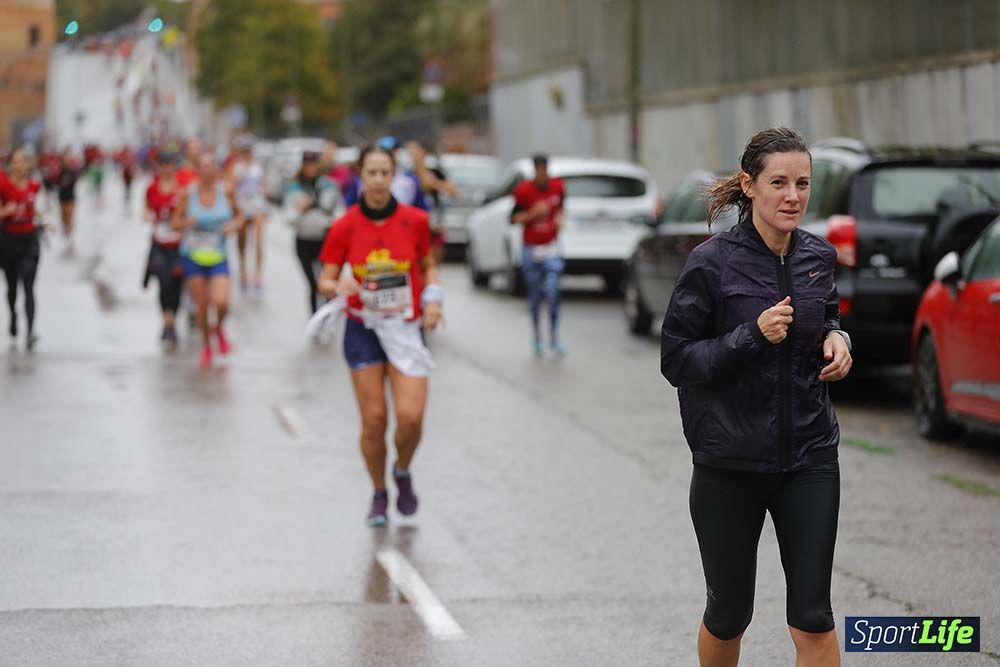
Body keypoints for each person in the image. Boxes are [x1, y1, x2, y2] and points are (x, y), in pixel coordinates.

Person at [659, 127, 853, 667]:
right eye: (779, 183)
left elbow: (829, 314)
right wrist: (751, 335)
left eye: (803, 184)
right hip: (729, 463)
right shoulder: (711, 263)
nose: (793, 196)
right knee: (729, 616)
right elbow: (677, 360)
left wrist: (839, 339)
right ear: (749, 185)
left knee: (813, 615)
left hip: (810, 457)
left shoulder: (818, 257)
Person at [316, 145, 442, 527]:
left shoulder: (415, 220)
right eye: (370, 173)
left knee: (411, 418)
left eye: (384, 172)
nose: (377, 180)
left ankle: (401, 470)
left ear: (393, 176)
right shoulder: (345, 226)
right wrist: (338, 286)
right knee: (374, 420)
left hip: (404, 326)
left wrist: (433, 300)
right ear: (360, 176)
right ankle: (378, 490)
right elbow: (325, 278)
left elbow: (427, 264)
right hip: (364, 328)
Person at [172, 151, 242, 368]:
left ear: (216, 170)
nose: (207, 170)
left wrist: (233, 225)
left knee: (222, 302)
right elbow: (174, 221)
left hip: (218, 254)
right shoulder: (188, 194)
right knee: (202, 306)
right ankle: (206, 344)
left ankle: (218, 328)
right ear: (197, 170)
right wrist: (185, 223)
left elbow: (240, 216)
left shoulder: (226, 193)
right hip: (193, 255)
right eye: (203, 165)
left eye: (211, 165)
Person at [511, 154, 566, 357]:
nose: (542, 176)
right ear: (535, 171)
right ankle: (536, 337)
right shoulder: (523, 190)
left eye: (545, 171)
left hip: (551, 246)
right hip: (531, 248)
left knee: (553, 291)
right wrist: (533, 213)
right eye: (539, 172)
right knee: (534, 295)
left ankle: (554, 338)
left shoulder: (558, 187)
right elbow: (514, 218)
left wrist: (560, 219)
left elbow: (561, 209)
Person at [285, 151, 340, 314]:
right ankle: (315, 319)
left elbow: (334, 210)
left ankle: (330, 317)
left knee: (328, 282)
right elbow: (289, 218)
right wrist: (301, 209)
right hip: (304, 239)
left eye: (314, 165)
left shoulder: (328, 185)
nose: (311, 169)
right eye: (308, 165)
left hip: (325, 239)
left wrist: (317, 204)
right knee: (312, 284)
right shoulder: (294, 187)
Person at [0, 148, 44, 350]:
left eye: (21, 161)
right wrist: (4, 212)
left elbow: (37, 209)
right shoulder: (3, 184)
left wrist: (43, 219)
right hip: (9, 240)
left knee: (28, 285)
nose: (18, 165)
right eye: (14, 161)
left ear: (28, 164)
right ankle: (13, 317)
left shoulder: (35, 186)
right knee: (11, 288)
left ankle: (31, 331)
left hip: (29, 241)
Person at [144, 150, 185, 348]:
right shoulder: (152, 188)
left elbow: (188, 211)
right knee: (163, 283)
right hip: (159, 242)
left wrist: (181, 221)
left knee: (177, 285)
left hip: (179, 243)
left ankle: (173, 322)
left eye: (170, 165)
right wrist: (148, 217)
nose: (167, 169)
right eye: (163, 165)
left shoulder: (182, 189)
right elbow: (146, 209)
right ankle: (166, 321)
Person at [406, 139, 457, 265]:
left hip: (434, 223)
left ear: (424, 152)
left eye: (415, 150)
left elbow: (453, 191)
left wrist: (433, 182)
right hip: (414, 225)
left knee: (434, 261)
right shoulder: (407, 175)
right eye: (409, 150)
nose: (412, 154)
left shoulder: (435, 171)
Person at [230, 136, 268, 293]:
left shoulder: (257, 167)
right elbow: (231, 187)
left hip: (256, 205)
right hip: (242, 206)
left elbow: (263, 185)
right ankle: (243, 271)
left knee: (259, 241)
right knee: (242, 241)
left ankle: (258, 275)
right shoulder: (236, 167)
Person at [55, 149, 80, 248]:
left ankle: (69, 233)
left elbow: (76, 181)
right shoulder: (59, 170)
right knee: (63, 215)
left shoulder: (73, 171)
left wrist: (69, 181)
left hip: (70, 196)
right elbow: (55, 181)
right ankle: (65, 228)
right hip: (62, 196)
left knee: (70, 215)